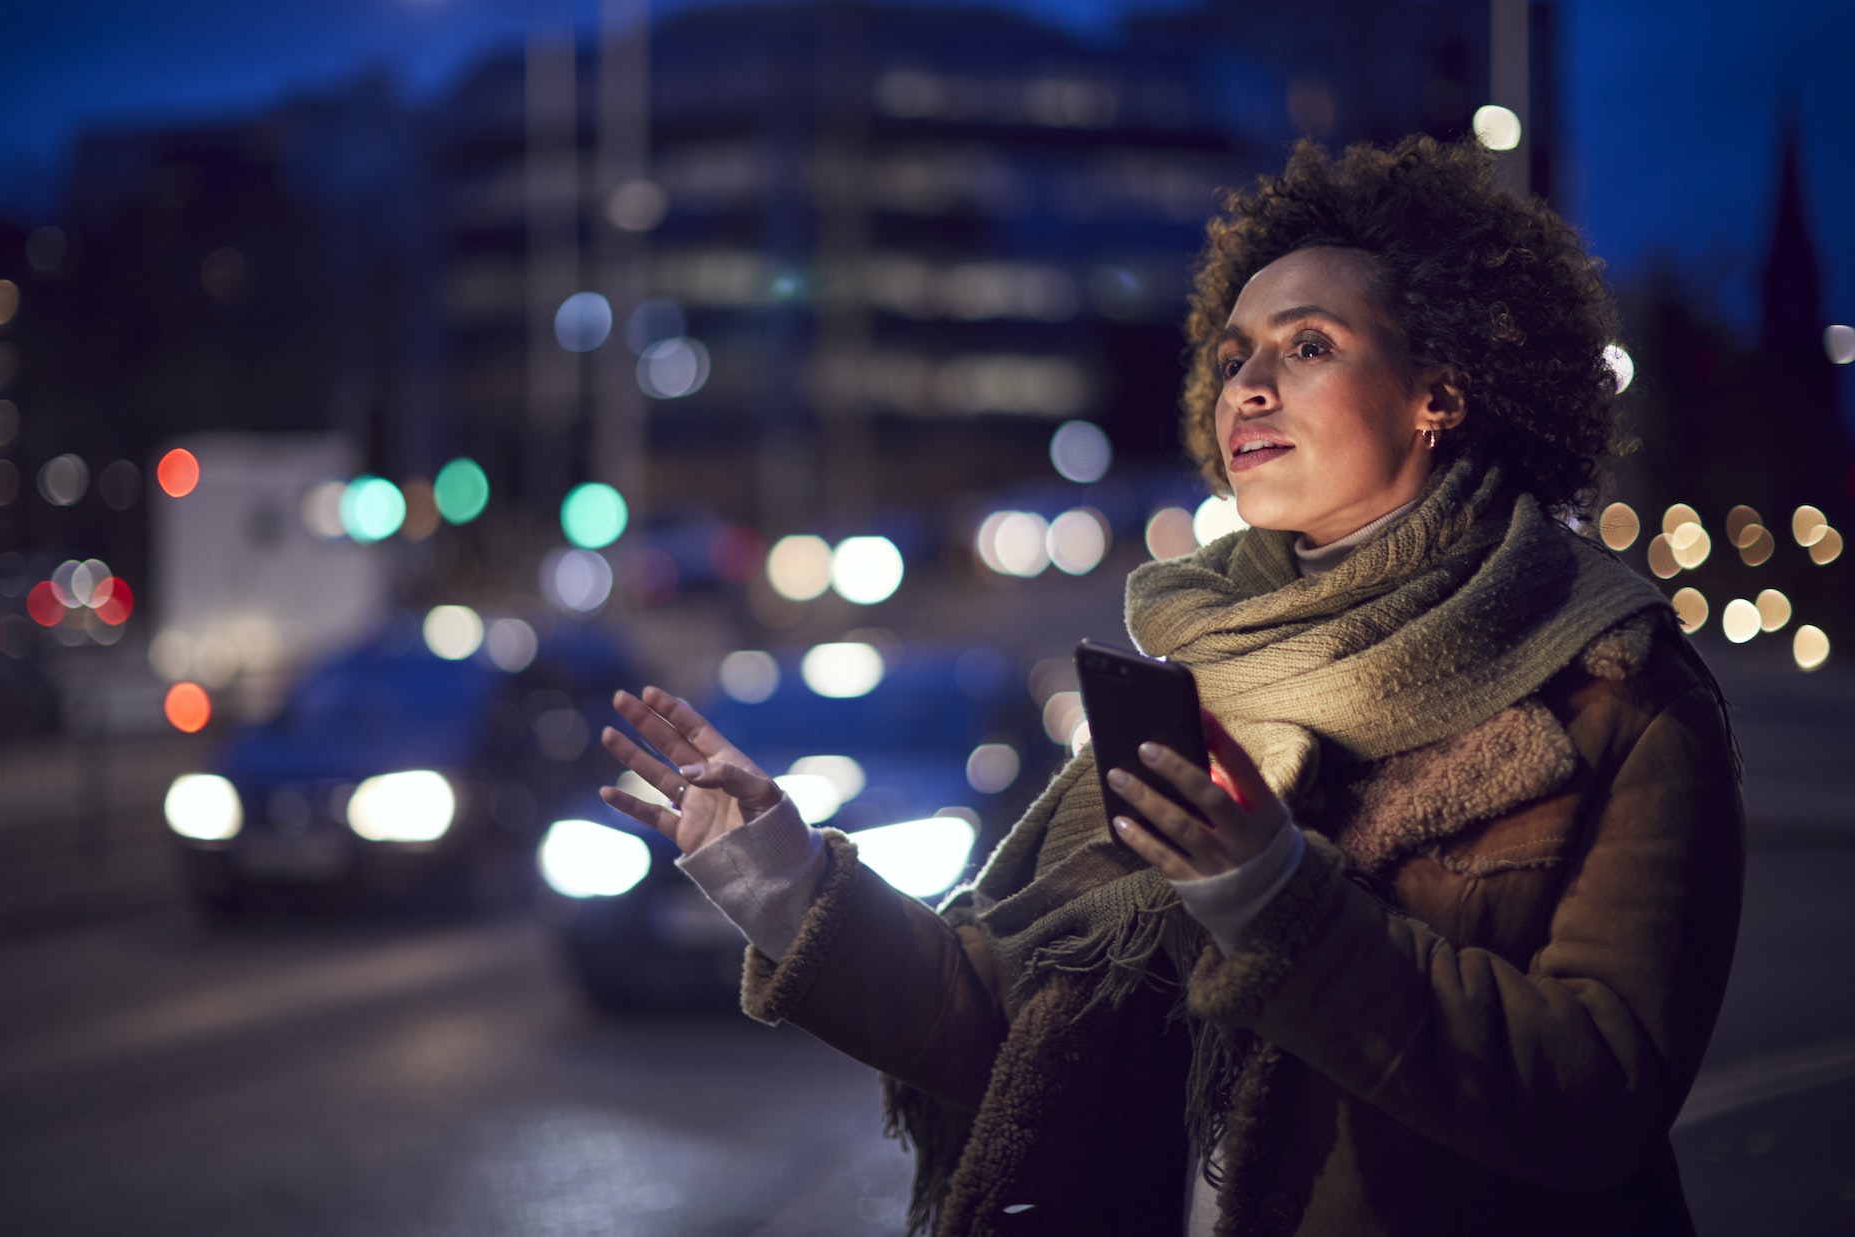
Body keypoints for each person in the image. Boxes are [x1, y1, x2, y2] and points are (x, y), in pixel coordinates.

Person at [598, 135, 1744, 1237]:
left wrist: (1279, 904)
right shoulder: (1210, 673)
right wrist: (779, 876)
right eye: (1233, 355)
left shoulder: (1609, 690)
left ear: (1435, 393)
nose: (1246, 387)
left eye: (1306, 346)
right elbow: (1009, 1029)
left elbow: (1596, 1093)